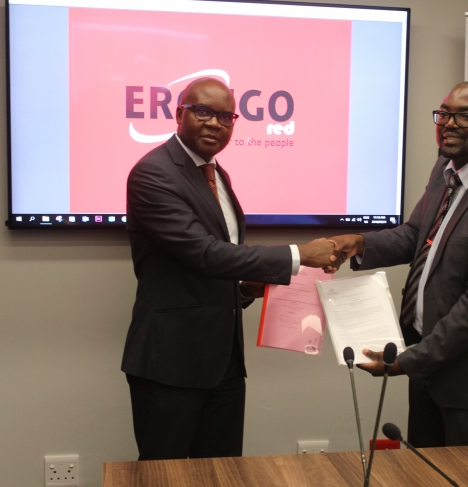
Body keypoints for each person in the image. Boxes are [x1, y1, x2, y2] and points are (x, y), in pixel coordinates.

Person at [121, 77, 337, 460]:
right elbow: (206, 254)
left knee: (223, 474)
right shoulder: (152, 173)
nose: (214, 123)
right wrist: (299, 254)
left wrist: (245, 289)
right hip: (171, 362)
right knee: (163, 476)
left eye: (225, 116)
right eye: (202, 111)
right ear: (178, 114)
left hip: (224, 361)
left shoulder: (218, 175)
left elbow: (215, 268)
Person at [327, 82, 468, 447]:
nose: (450, 123)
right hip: (431, 362)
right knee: (426, 474)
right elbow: (417, 235)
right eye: (444, 113)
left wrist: (404, 363)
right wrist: (360, 244)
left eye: (466, 115)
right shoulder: (447, 166)